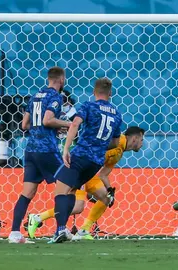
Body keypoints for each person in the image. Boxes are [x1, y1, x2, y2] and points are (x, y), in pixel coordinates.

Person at [27, 126, 145, 240]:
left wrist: (110, 189)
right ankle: (37, 218)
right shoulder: (117, 141)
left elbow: (103, 174)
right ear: (135, 138)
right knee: (78, 207)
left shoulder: (120, 152)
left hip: (91, 174)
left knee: (106, 198)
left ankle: (84, 230)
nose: (142, 143)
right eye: (141, 139)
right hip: (82, 169)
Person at [49, 77, 123, 243]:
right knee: (72, 191)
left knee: (60, 191)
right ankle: (63, 231)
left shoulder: (89, 106)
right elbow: (116, 143)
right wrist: (100, 145)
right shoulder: (117, 113)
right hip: (95, 162)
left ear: (93, 92)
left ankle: (60, 230)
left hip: (81, 155)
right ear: (110, 93)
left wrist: (66, 148)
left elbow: (75, 123)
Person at [8, 67, 71, 244]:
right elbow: (47, 120)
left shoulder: (35, 96)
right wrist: (68, 124)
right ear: (61, 79)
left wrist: (44, 127)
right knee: (68, 184)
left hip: (31, 150)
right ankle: (61, 229)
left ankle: (14, 233)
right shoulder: (55, 97)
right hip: (47, 150)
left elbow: (24, 124)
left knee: (27, 192)